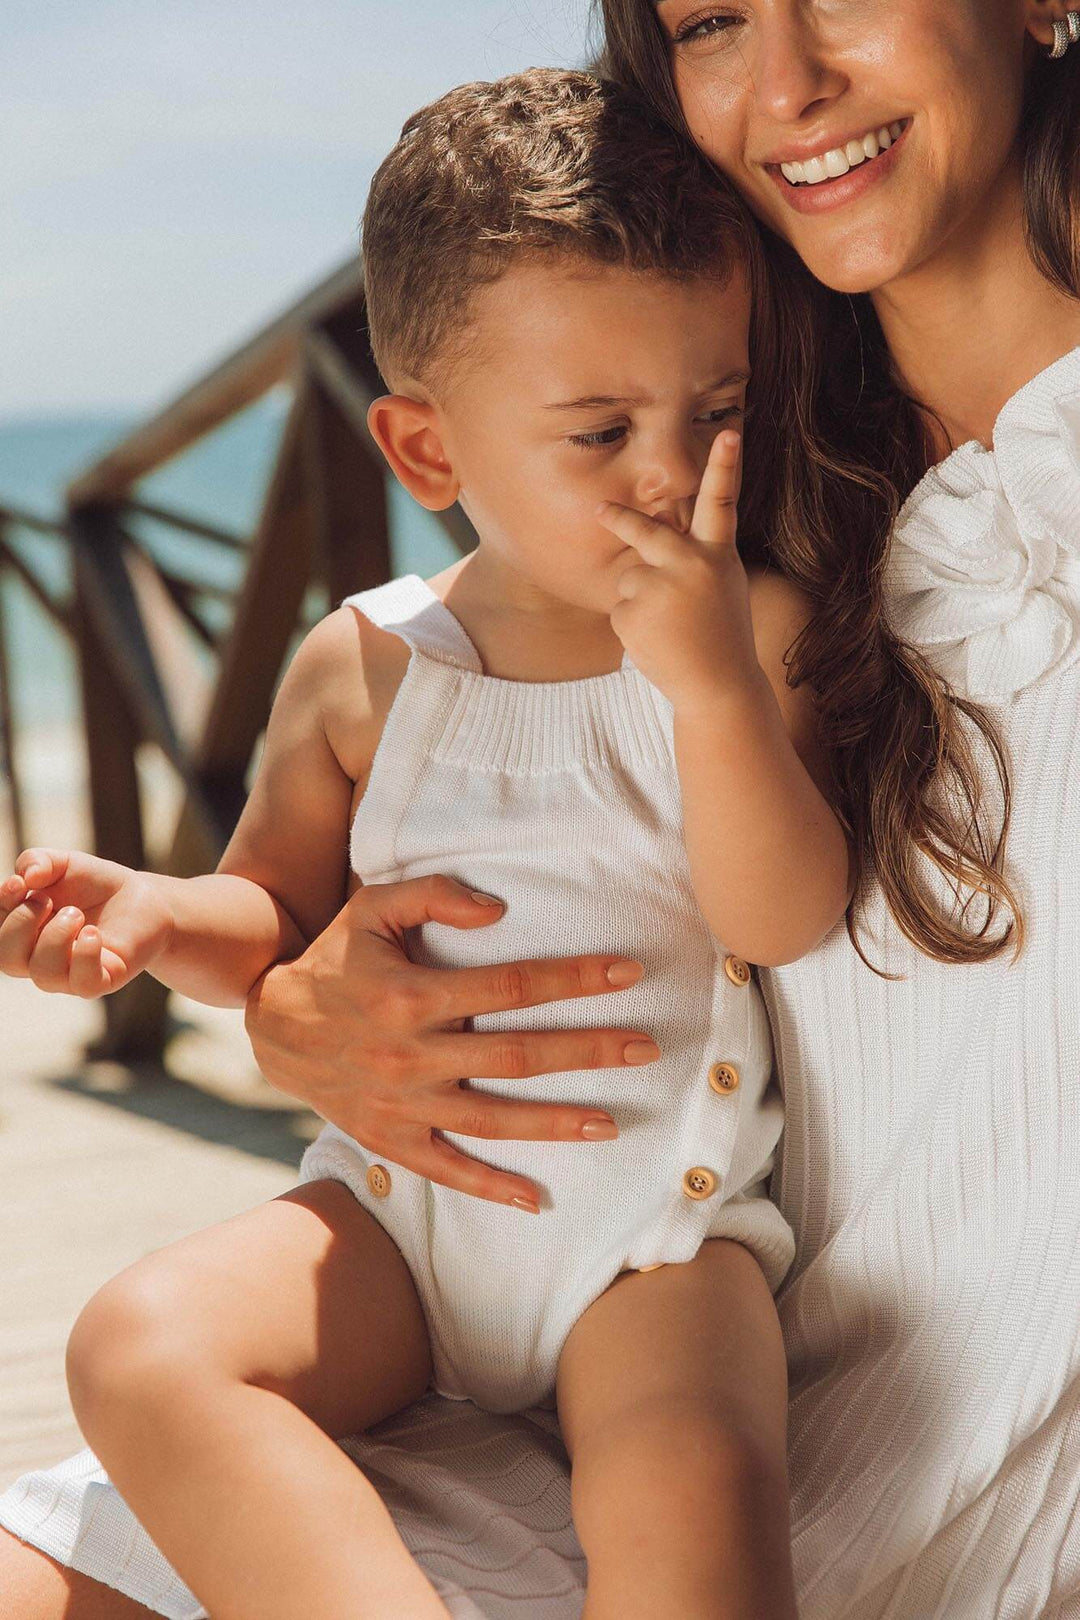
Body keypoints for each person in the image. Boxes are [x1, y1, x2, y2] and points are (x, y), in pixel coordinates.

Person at [3, 1, 1078, 1616]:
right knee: (120, 1398)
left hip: (697, 1308)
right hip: (433, 1280)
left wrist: (711, 679)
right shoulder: (727, 443)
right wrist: (253, 978)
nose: (785, 86)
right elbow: (296, 917)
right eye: (711, 21)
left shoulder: (735, 577)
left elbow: (776, 905)